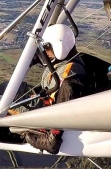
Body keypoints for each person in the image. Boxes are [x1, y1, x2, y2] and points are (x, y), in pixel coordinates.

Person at [22, 24, 88, 154]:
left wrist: (53, 136)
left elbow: (62, 108)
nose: (45, 52)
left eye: (47, 48)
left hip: (46, 113)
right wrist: (37, 57)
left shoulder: (69, 78)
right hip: (45, 102)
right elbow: (54, 65)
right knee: (9, 87)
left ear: (59, 47)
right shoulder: (68, 59)